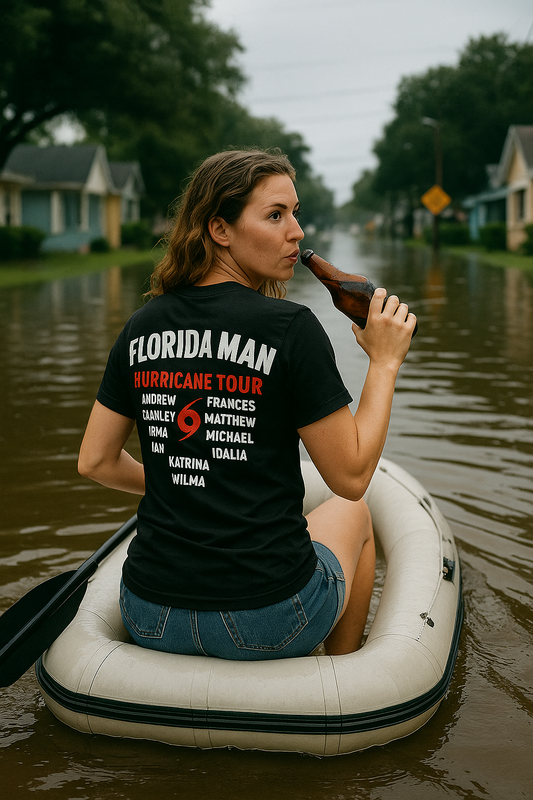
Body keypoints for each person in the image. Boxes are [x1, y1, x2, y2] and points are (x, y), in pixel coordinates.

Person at [78, 148, 416, 661]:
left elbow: (95, 462)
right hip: (268, 619)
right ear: (220, 229)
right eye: (276, 215)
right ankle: (342, 677)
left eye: (295, 213)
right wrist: (385, 363)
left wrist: (179, 481)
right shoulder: (290, 328)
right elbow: (349, 476)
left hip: (149, 613)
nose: (297, 231)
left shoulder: (142, 325)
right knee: (356, 516)